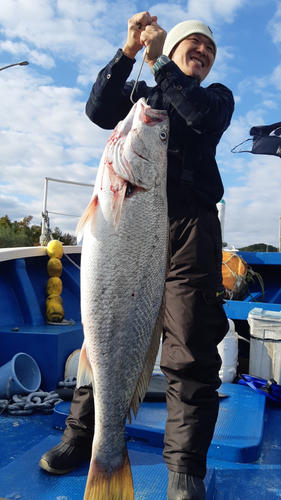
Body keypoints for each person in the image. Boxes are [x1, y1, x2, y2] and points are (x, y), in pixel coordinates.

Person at [39, 12, 234, 500]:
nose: (203, 52)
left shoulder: (216, 98)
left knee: (190, 343)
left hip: (190, 229)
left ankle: (184, 471)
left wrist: (162, 65)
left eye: (208, 49)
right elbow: (99, 109)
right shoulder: (144, 98)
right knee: (105, 330)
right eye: (193, 42)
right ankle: (83, 440)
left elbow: (197, 116)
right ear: (172, 49)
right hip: (134, 218)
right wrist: (128, 53)